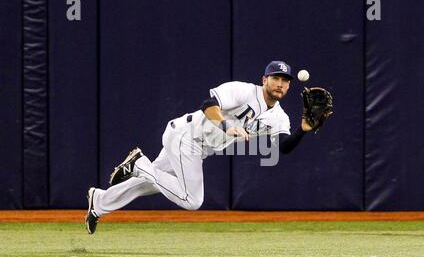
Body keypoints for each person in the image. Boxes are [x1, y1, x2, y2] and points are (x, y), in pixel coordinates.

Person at [85, 61, 314, 234]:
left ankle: (100, 201)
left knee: (151, 183)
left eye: (285, 80)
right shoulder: (244, 91)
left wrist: (303, 130)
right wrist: (226, 126)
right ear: (264, 79)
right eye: (276, 78)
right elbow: (208, 104)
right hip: (187, 136)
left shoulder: (279, 117)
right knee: (191, 200)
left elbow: (283, 146)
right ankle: (138, 164)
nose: (280, 84)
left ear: (289, 85)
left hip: (197, 147)